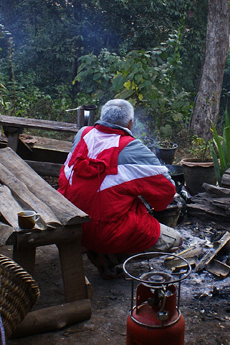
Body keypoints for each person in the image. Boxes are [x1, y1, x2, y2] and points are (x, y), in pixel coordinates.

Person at [58, 99, 182, 278]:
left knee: (113, 197)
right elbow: (166, 191)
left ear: (102, 117)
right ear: (130, 123)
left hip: (68, 218)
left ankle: (93, 248)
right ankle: (109, 257)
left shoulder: (82, 134)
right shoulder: (132, 147)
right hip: (101, 233)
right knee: (175, 240)